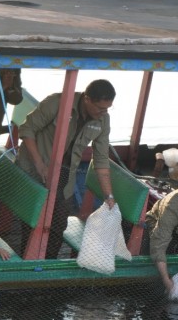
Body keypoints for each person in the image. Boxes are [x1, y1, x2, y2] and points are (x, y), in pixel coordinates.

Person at [16, 79, 116, 258]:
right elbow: (27, 130)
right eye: (100, 108)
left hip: (65, 176)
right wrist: (39, 165)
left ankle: (48, 268)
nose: (104, 113)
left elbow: (101, 158)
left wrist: (109, 196)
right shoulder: (57, 103)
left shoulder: (103, 120)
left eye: (107, 109)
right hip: (33, 171)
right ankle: (28, 267)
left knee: (58, 226)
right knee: (32, 225)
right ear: (87, 99)